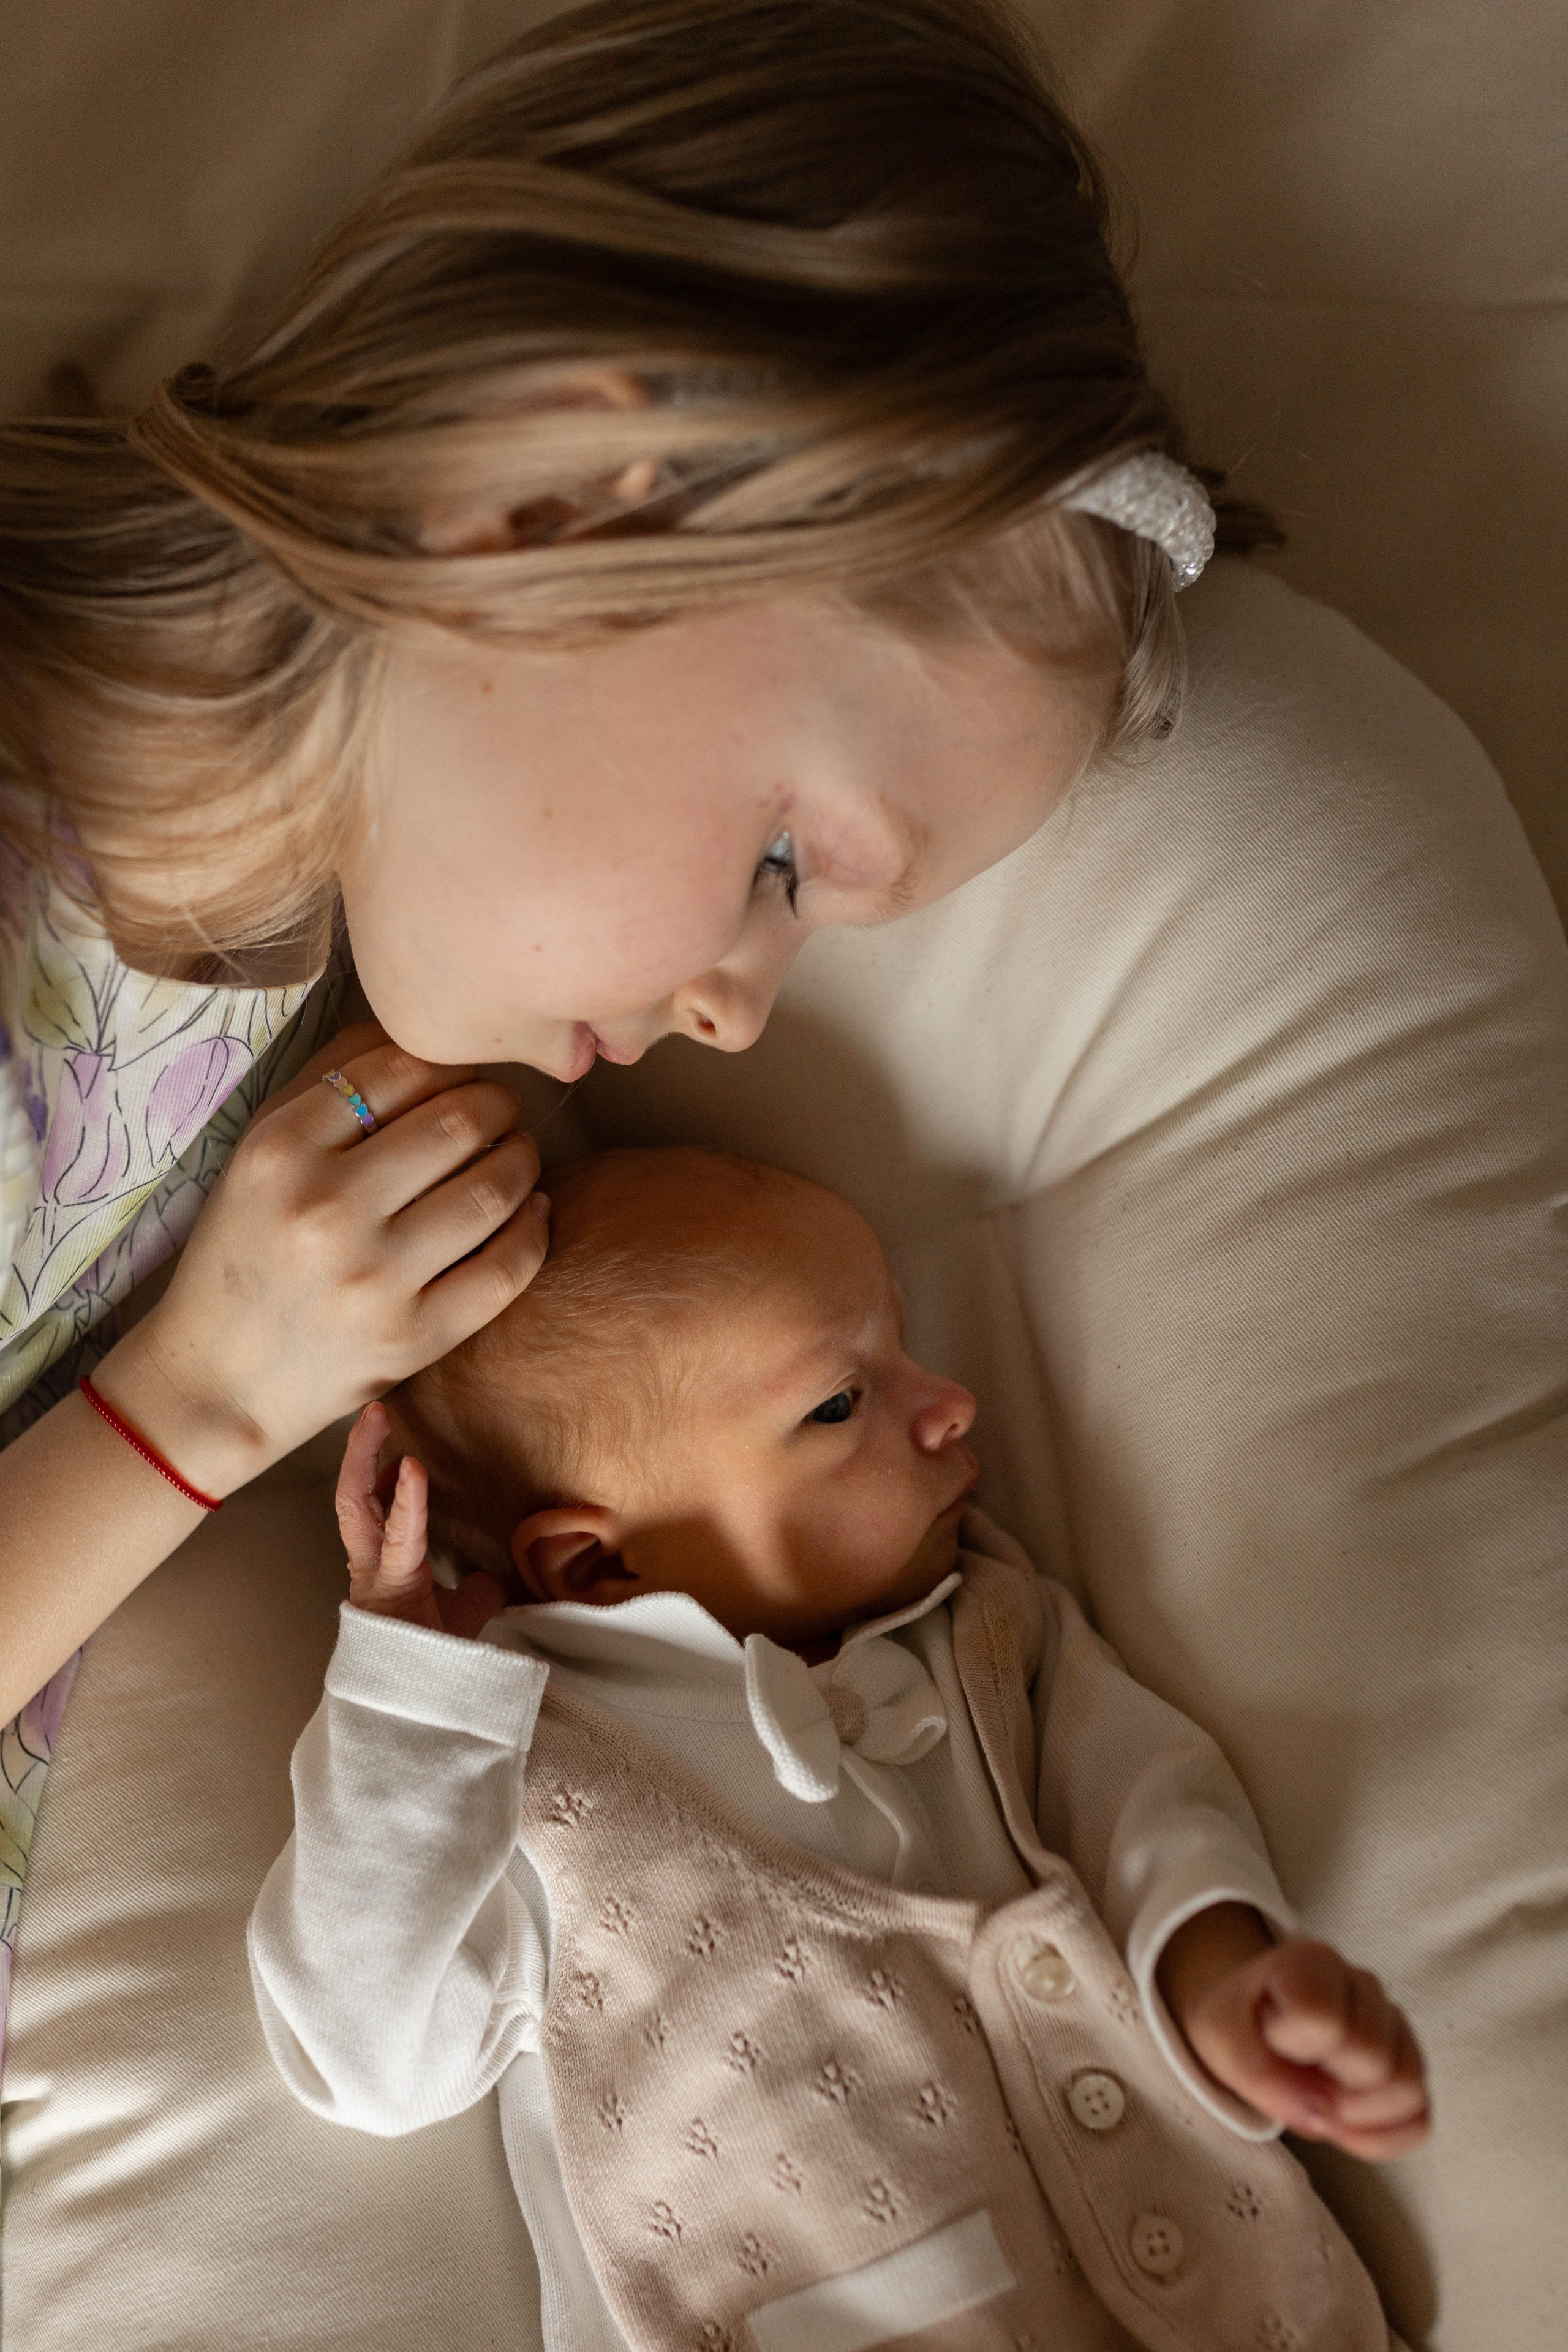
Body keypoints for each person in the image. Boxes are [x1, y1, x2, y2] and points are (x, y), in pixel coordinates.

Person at [0, 0, 1275, 2069]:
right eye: (786, 860)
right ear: (550, 502)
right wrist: (201, 1410)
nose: (734, 1006)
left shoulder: (286, 991)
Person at [249, 1147, 1428, 2352]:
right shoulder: (516, 1776)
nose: (950, 1401)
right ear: (600, 1564)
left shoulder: (988, 1631)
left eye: (904, 1344)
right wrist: (410, 1706)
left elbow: (1146, 1803)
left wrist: (1224, 1984)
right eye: (836, 1403)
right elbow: (368, 2065)